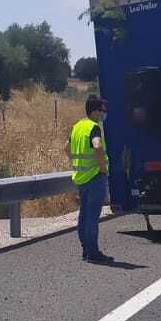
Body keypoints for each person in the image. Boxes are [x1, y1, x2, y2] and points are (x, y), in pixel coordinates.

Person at [70, 96, 114, 264]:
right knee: (92, 217)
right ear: (95, 111)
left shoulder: (77, 127)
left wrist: (78, 163)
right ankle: (93, 253)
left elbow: (66, 148)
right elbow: (97, 146)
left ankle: (86, 250)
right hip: (95, 177)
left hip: (81, 178)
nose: (104, 114)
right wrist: (103, 168)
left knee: (83, 215)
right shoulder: (93, 127)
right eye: (102, 111)